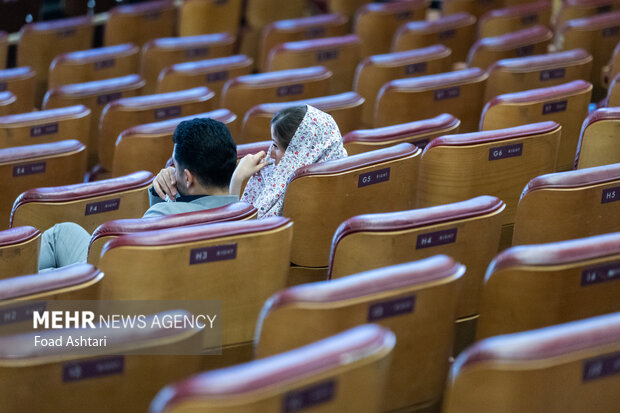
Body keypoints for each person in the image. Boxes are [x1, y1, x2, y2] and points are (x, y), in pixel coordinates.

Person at [38, 118, 238, 270]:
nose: (171, 172)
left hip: (114, 291)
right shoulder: (244, 210)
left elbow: (125, 267)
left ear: (188, 178)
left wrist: (163, 205)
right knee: (65, 232)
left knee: (54, 243)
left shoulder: (163, 218)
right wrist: (161, 195)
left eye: (174, 166)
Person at [230, 105, 347, 218]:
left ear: (298, 155)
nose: (270, 153)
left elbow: (236, 232)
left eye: (275, 145)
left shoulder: (295, 192)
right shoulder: (345, 170)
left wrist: (237, 179)